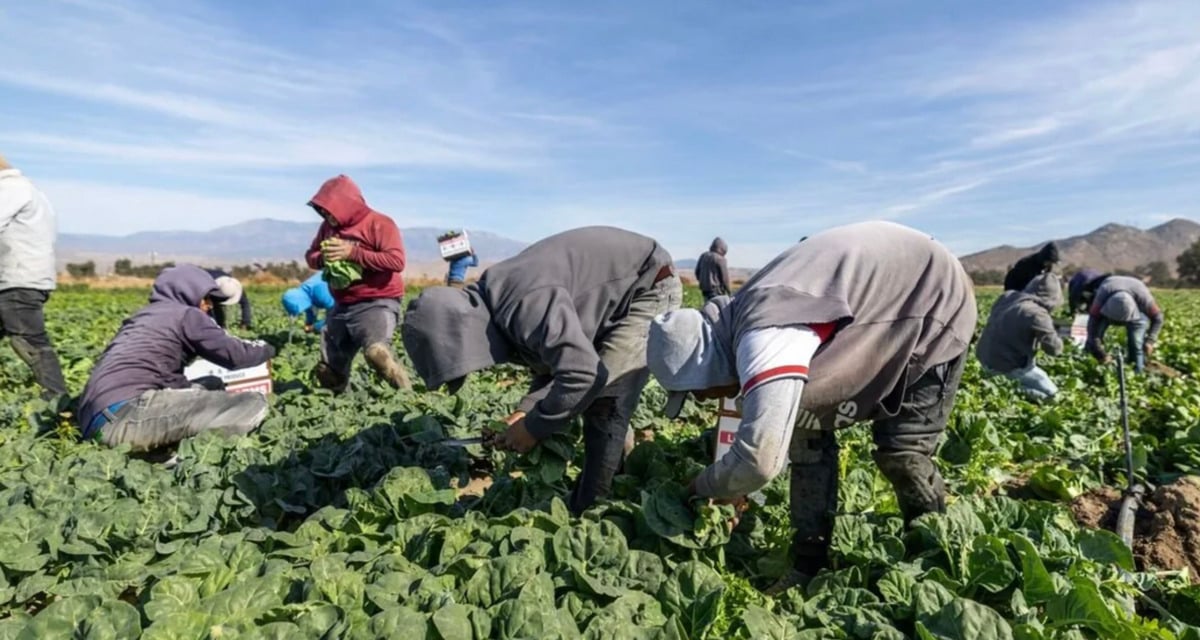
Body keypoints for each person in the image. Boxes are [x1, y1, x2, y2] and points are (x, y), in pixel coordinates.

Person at [645, 221, 976, 592]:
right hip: (876, 307)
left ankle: (933, 567)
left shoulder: (766, 334)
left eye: (695, 391)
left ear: (707, 367)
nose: (701, 400)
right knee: (806, 435)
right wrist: (737, 485)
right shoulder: (739, 319)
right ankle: (808, 564)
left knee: (903, 452)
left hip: (931, 298)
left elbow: (759, 460)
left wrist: (701, 488)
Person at [402, 226, 682, 514]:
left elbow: (584, 375)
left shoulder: (524, 302)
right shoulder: (499, 302)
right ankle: (616, 473)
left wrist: (534, 428)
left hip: (647, 284)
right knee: (597, 395)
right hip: (615, 297)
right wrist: (524, 413)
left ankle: (594, 513)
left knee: (605, 402)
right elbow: (557, 364)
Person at [76, 265, 275, 451]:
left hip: (93, 423)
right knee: (252, 403)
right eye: (207, 298)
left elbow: (164, 377)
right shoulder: (186, 314)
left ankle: (158, 451)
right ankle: (192, 457)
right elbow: (237, 355)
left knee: (210, 383)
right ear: (189, 292)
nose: (209, 306)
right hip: (126, 417)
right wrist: (268, 347)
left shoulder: (141, 317)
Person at [305, 174, 411, 391]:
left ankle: (408, 398)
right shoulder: (327, 227)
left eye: (329, 210)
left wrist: (353, 253)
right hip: (342, 304)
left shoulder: (379, 223)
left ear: (346, 205)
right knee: (328, 370)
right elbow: (311, 256)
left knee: (376, 354)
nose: (326, 215)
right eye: (322, 210)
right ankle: (337, 408)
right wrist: (324, 258)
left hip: (377, 300)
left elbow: (396, 261)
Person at [0, 154, 68, 401]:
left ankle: (58, 404)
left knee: (29, 342)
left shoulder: (10, 189)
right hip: (25, 277)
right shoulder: (29, 190)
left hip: (18, 280)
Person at [976, 273, 1064, 401]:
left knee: (1041, 377)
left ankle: (997, 381)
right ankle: (1008, 388)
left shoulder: (1007, 297)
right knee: (1053, 396)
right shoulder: (1038, 314)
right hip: (1008, 365)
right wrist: (1056, 333)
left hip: (985, 359)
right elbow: (1054, 350)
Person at [1083, 275, 1163, 373]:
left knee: (1136, 344)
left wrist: (1150, 341)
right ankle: (1089, 366)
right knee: (1094, 339)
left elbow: (1158, 318)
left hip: (1135, 309)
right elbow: (1092, 327)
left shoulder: (1144, 299)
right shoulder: (1101, 299)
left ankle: (1137, 372)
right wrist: (1100, 353)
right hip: (1109, 295)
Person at [695, 237, 731, 302]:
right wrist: (729, 292)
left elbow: (697, 272)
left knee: (707, 308)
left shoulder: (703, 256)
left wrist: (703, 281)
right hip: (716, 290)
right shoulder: (720, 259)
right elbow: (725, 278)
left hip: (705, 289)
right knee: (717, 310)